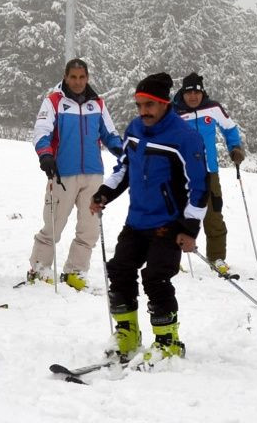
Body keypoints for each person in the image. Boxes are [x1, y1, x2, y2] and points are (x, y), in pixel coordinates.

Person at [90, 72, 209, 363]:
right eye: (139, 105)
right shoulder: (135, 128)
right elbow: (125, 168)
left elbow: (200, 186)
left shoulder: (185, 137)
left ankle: (168, 342)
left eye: (149, 105)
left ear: (165, 103)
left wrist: (190, 228)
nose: (143, 111)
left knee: (155, 277)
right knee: (119, 269)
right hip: (137, 220)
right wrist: (104, 192)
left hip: (168, 224)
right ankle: (128, 333)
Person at [28, 58, 123, 290]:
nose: (78, 82)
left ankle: (75, 271)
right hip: (62, 173)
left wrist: (121, 149)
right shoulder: (53, 101)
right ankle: (39, 268)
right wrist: (45, 155)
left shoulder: (98, 104)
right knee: (54, 224)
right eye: (73, 77)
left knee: (89, 227)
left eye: (82, 77)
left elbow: (109, 133)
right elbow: (41, 132)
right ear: (66, 76)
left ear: (87, 77)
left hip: (93, 174)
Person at [172, 72, 245, 274]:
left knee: (213, 215)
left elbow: (230, 129)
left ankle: (217, 258)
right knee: (177, 214)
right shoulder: (173, 113)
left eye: (196, 92)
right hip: (182, 173)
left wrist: (235, 148)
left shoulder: (213, 108)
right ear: (182, 94)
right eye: (189, 93)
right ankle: (172, 258)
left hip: (209, 172)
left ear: (202, 92)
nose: (193, 97)